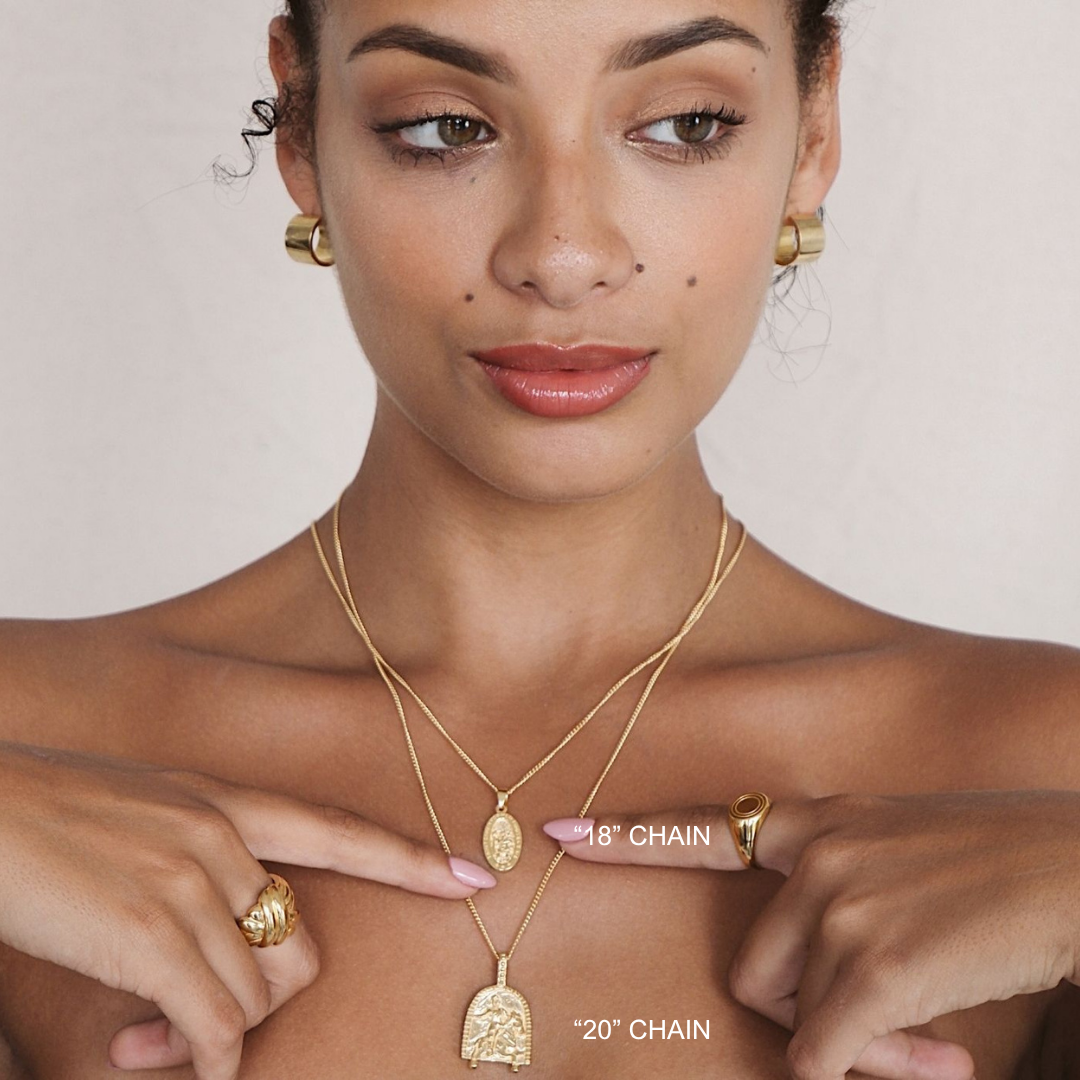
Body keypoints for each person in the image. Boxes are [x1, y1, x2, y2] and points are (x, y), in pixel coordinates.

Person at [1, 2, 1079, 1078]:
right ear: (300, 126)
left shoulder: (1044, 768)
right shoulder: (28, 746)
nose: (563, 258)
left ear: (814, 131)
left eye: (687, 124)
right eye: (443, 128)